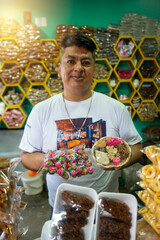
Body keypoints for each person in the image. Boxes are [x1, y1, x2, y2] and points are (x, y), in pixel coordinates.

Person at [19, 32, 142, 209]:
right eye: (71, 61)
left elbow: (137, 147)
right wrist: (51, 160)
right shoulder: (42, 111)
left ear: (94, 70)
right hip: (62, 208)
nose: (78, 68)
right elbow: (26, 156)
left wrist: (124, 157)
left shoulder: (116, 108)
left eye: (85, 62)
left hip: (106, 207)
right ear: (60, 69)